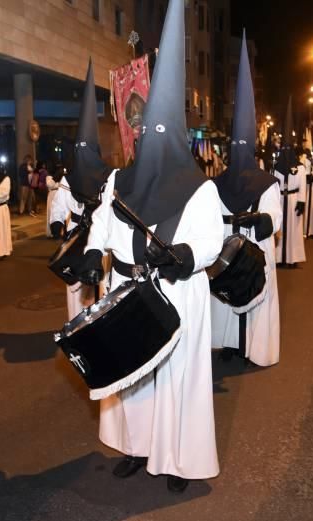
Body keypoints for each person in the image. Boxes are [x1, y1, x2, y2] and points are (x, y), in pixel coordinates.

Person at [77, 0, 223, 493]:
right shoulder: (120, 177)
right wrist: (90, 253)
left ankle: (177, 458)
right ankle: (138, 448)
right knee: (135, 378)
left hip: (178, 293)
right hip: (127, 289)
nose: (149, 138)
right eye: (144, 132)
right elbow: (101, 222)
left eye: (160, 132)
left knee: (176, 380)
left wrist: (186, 256)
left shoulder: (199, 187)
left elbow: (211, 238)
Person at [212, 33, 281, 368]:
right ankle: (231, 342)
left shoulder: (265, 183)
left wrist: (259, 220)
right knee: (228, 296)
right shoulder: (217, 183)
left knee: (251, 293)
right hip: (232, 246)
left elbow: (272, 218)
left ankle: (251, 346)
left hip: (251, 246)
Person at [49, 59, 113, 320]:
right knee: (76, 290)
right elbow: (58, 206)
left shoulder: (109, 178)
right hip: (75, 238)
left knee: (102, 286)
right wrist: (56, 224)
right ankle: (78, 324)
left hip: (101, 242)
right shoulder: (68, 180)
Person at [274, 99, 307, 269]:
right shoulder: (276, 168)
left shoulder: (299, 167)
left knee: (293, 231)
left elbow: (302, 186)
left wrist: (302, 201)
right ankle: (279, 257)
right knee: (279, 229)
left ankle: (292, 257)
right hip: (280, 200)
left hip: (293, 200)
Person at [45, 165, 61, 237]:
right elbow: (50, 184)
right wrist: (57, 184)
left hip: (59, 194)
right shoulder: (49, 176)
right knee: (51, 213)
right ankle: (52, 231)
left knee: (59, 213)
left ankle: (58, 230)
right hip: (52, 195)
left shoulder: (60, 176)